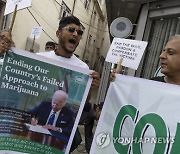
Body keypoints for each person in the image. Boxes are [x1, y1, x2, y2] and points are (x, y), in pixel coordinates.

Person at [0, 16, 100, 152]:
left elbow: (83, 101)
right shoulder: (40, 58)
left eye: (79, 32)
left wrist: (90, 87)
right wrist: (9, 53)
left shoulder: (83, 68)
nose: (75, 34)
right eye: (71, 30)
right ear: (58, 33)